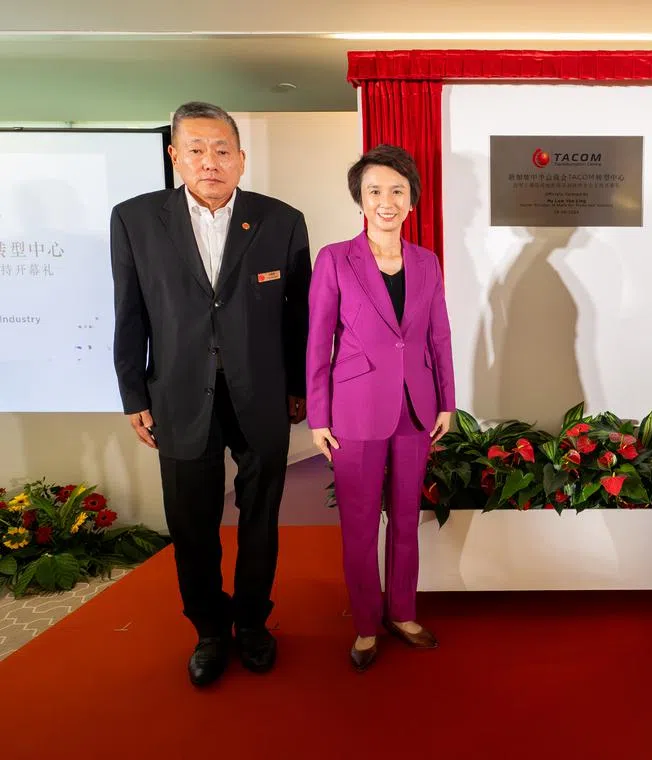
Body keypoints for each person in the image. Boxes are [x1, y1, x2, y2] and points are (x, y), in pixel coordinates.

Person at [110, 102, 311, 686]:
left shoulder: (281, 220)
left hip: (263, 396)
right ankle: (208, 630)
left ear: (241, 158)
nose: (210, 162)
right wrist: (132, 393)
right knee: (192, 523)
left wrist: (299, 387)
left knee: (261, 518)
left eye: (223, 150)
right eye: (195, 149)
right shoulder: (135, 220)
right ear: (175, 156)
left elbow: (297, 315)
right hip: (175, 394)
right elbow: (130, 314)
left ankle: (251, 623)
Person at [306, 145, 455, 672]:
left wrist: (448, 402)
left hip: (417, 408)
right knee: (361, 523)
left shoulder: (426, 261)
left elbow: (439, 335)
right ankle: (367, 624)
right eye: (375, 191)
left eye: (397, 190)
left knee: (407, 520)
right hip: (354, 410)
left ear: (412, 200)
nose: (386, 201)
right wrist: (318, 416)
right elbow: (318, 338)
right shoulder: (333, 259)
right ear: (360, 201)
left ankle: (403, 613)